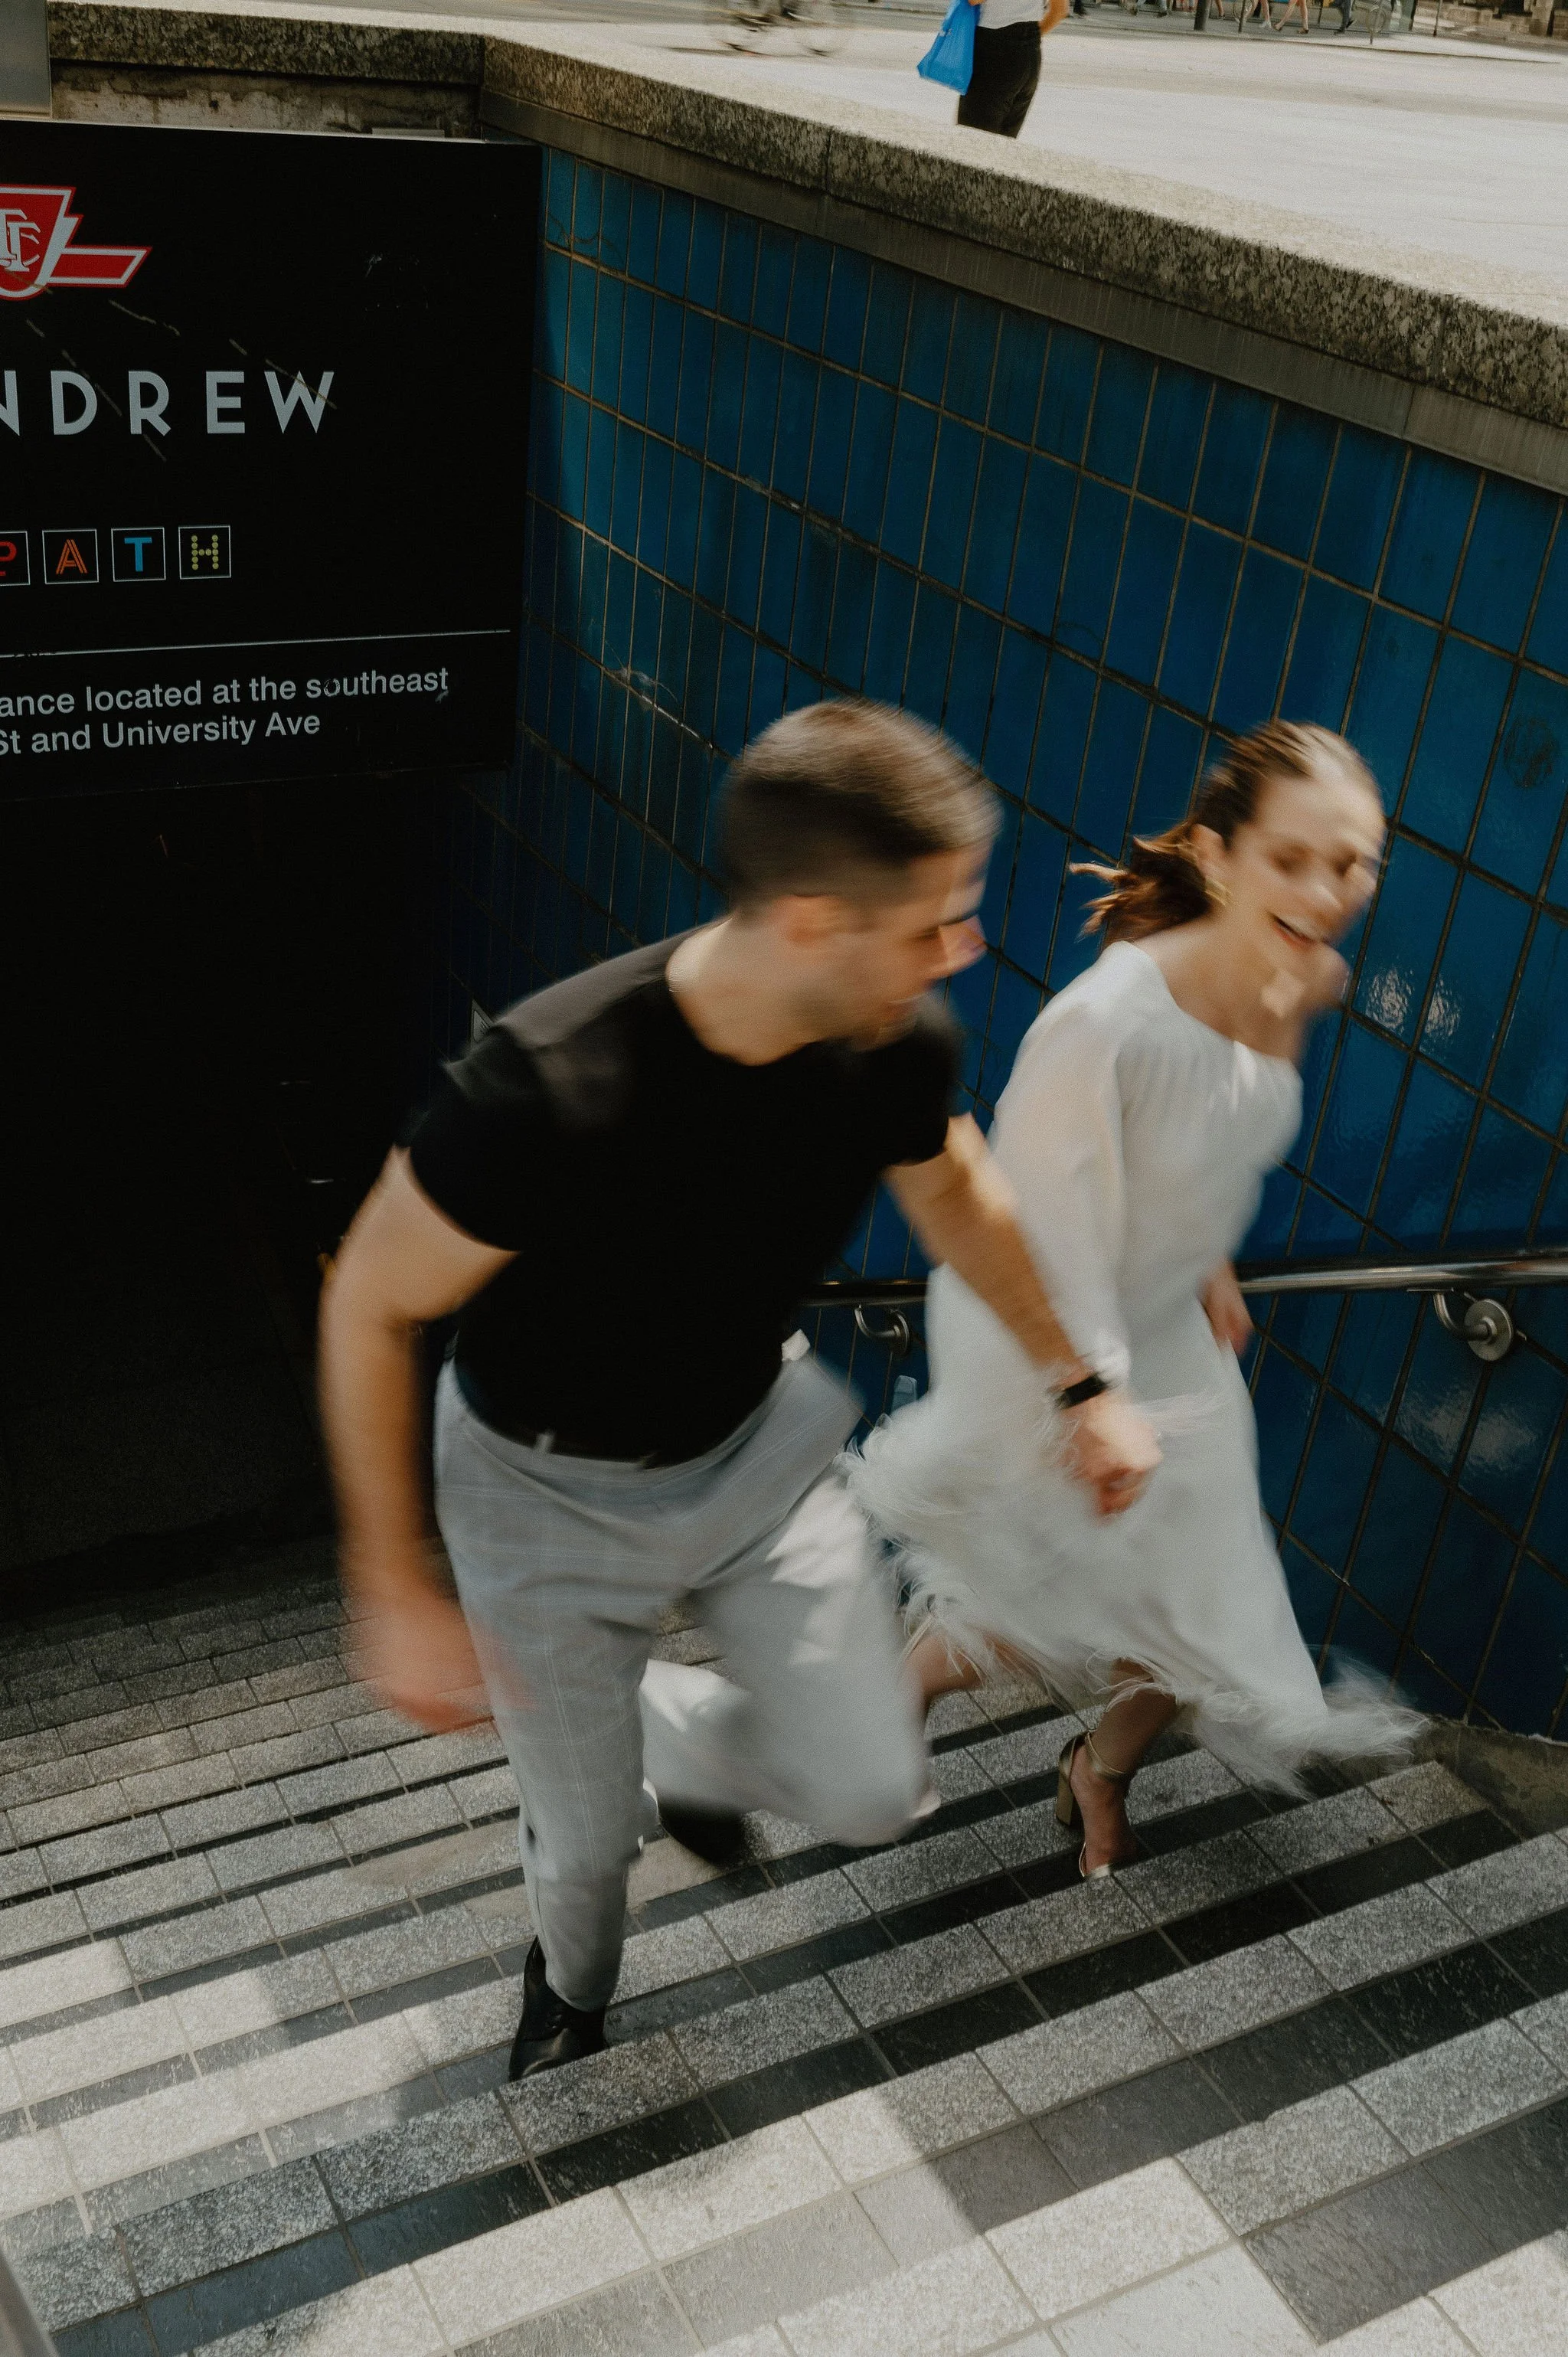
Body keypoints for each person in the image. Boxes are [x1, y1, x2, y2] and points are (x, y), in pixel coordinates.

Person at [318, 698, 1159, 2077]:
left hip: (753, 1448)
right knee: (585, 1848)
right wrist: (392, 1582)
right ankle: (572, 1997)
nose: (964, 949)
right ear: (814, 922)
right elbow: (369, 1298)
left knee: (874, 1788)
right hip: (538, 1486)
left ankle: (664, 1727)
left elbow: (955, 1190)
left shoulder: (896, 1045)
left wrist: (1082, 1382)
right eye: (935, 921)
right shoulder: (546, 1083)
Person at [851, 721, 1419, 1880]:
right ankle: (886, 1705)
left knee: (1198, 1600)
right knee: (1042, 1592)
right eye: (1294, 859)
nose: (1329, 891)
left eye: (1353, 861)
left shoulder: (1300, 975)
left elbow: (1207, 1140)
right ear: (1218, 854)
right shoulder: (1105, 1022)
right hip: (1052, 1332)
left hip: (1161, 1316)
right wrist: (1092, 1395)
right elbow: (1043, 1223)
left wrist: (1202, 1253)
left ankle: (1095, 1769)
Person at [959, 0, 1068, 141]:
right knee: (1002, 149)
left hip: (995, 51)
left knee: (972, 145)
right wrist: (1027, 39)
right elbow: (1060, 11)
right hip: (1030, 53)